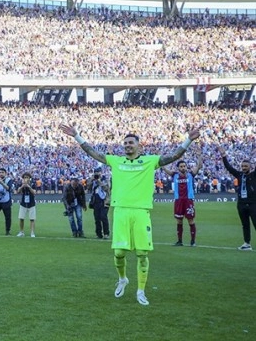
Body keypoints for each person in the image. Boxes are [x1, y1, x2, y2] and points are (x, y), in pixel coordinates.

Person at [60, 123, 201, 306]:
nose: (127, 145)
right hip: (121, 211)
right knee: (119, 253)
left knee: (142, 253)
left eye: (131, 142)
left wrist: (188, 140)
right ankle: (122, 279)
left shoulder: (150, 161)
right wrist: (77, 136)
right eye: (125, 143)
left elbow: (174, 156)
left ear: (139, 145)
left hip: (141, 211)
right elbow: (94, 153)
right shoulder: (117, 161)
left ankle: (141, 290)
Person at [217, 146, 256, 251]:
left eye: (246, 166)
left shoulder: (254, 175)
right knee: (245, 225)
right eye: (243, 166)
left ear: (250, 167)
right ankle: (247, 243)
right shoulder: (239, 174)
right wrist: (224, 156)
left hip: (253, 204)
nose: (244, 168)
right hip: (241, 204)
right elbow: (229, 167)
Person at [162, 152, 203, 246]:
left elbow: (199, 166)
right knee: (179, 221)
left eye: (184, 166)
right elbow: (164, 168)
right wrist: (162, 159)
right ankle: (179, 241)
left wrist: (199, 156)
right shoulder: (174, 175)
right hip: (178, 201)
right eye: (181, 166)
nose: (183, 168)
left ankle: (193, 241)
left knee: (191, 220)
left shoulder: (190, 174)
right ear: (178, 168)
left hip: (189, 200)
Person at [86, 167, 111, 239]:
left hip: (104, 201)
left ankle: (106, 233)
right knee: (97, 218)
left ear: (101, 172)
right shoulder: (93, 180)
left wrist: (99, 182)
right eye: (96, 173)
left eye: (98, 172)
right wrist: (91, 180)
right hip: (96, 201)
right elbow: (88, 188)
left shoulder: (106, 179)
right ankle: (98, 234)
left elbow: (107, 188)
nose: (97, 174)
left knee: (103, 217)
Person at [15, 172, 36, 238]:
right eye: (24, 177)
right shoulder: (20, 183)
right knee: (21, 218)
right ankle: (21, 232)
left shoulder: (33, 184)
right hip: (23, 203)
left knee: (32, 219)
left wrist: (28, 186)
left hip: (31, 203)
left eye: (27, 177)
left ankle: (32, 232)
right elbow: (17, 192)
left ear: (30, 178)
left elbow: (34, 192)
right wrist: (22, 186)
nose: (26, 179)